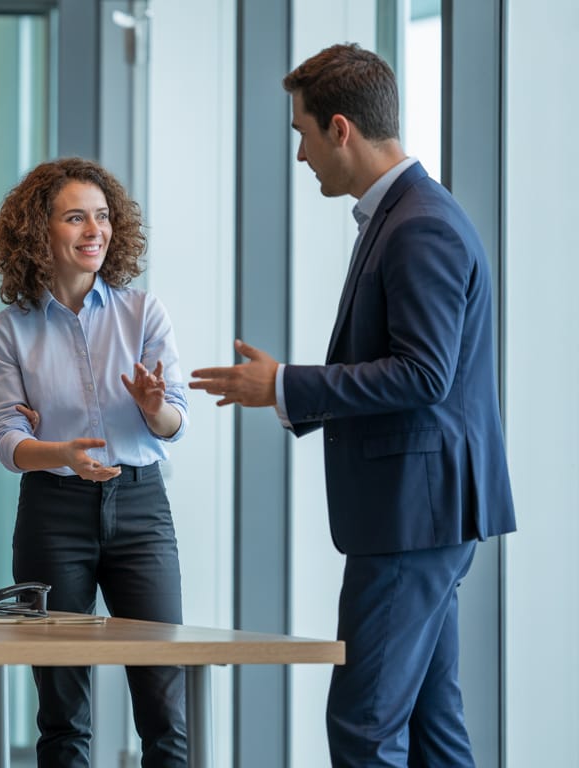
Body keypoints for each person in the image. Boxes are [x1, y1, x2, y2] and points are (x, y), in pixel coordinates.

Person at [189, 43, 515, 767]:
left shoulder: (419, 224)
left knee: (363, 729)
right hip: (424, 514)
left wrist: (281, 386)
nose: (301, 156)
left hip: (412, 515)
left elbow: (422, 374)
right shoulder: (408, 213)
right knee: (435, 730)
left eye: (302, 134)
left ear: (340, 128)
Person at [0, 157, 189, 768]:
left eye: (101, 217)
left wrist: (154, 409)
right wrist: (61, 454)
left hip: (142, 508)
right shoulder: (10, 330)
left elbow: (176, 421)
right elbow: (6, 436)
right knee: (62, 714)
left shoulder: (143, 312)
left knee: (164, 705)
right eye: (76, 218)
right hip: (54, 512)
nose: (93, 230)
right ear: (38, 231)